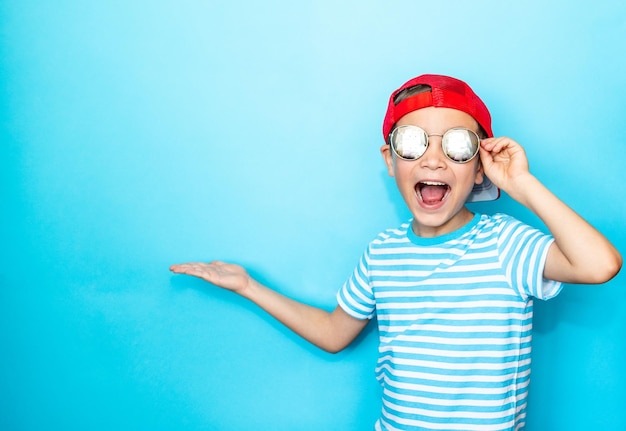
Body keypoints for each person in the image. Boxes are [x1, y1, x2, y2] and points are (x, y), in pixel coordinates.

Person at [170, 74, 622, 431]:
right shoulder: (381, 253)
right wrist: (249, 286)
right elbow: (334, 332)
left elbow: (600, 264)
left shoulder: (506, 245)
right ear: (390, 160)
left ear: (480, 165)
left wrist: (521, 184)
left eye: (457, 146)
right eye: (413, 143)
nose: (433, 160)